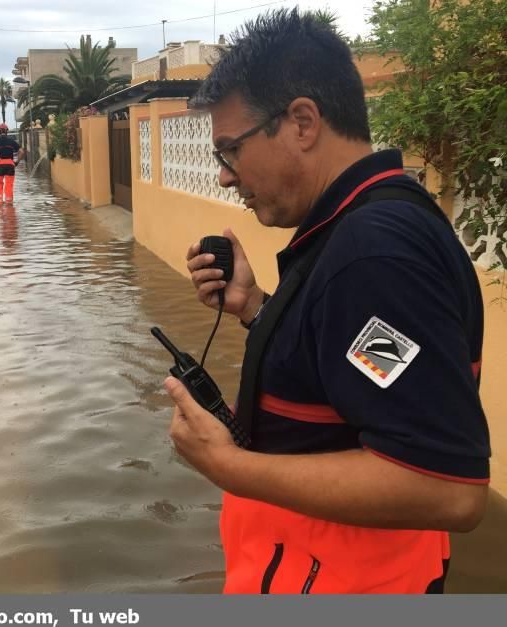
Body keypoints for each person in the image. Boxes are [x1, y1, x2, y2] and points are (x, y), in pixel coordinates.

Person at [165, 8, 490, 594]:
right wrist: (255, 307)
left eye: (230, 151)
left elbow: (449, 488)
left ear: (303, 122)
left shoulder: (374, 252)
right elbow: (363, 370)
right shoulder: (358, 225)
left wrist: (229, 466)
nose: (225, 177)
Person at [0, 123, 24, 204]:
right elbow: (21, 151)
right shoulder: (12, 141)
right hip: (10, 164)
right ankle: (9, 203)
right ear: (7, 132)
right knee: (9, 184)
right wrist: (17, 161)